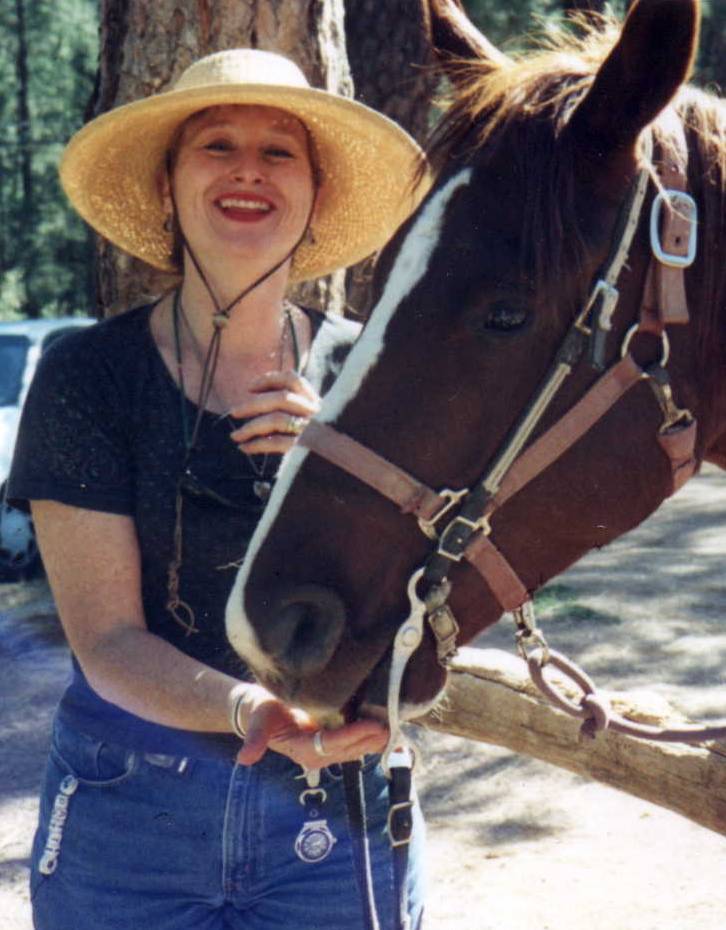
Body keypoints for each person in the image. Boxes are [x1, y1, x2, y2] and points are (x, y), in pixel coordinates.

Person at [8, 48, 430, 930]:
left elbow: (439, 597)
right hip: (129, 811)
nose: (248, 167)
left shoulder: (378, 374)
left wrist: (345, 459)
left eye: (281, 151)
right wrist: (253, 710)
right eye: (216, 144)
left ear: (315, 198)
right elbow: (108, 639)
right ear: (166, 188)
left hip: (337, 813)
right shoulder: (89, 377)